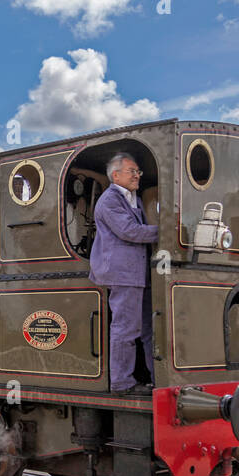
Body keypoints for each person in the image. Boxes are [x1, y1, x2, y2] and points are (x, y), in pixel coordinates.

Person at [89, 153, 158, 395]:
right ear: (115, 175)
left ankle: (155, 377)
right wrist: (168, 231)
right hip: (123, 273)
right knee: (126, 329)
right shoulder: (109, 200)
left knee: (148, 329)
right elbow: (129, 231)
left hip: (139, 273)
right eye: (132, 171)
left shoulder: (133, 199)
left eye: (138, 171)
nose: (137, 175)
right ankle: (121, 383)